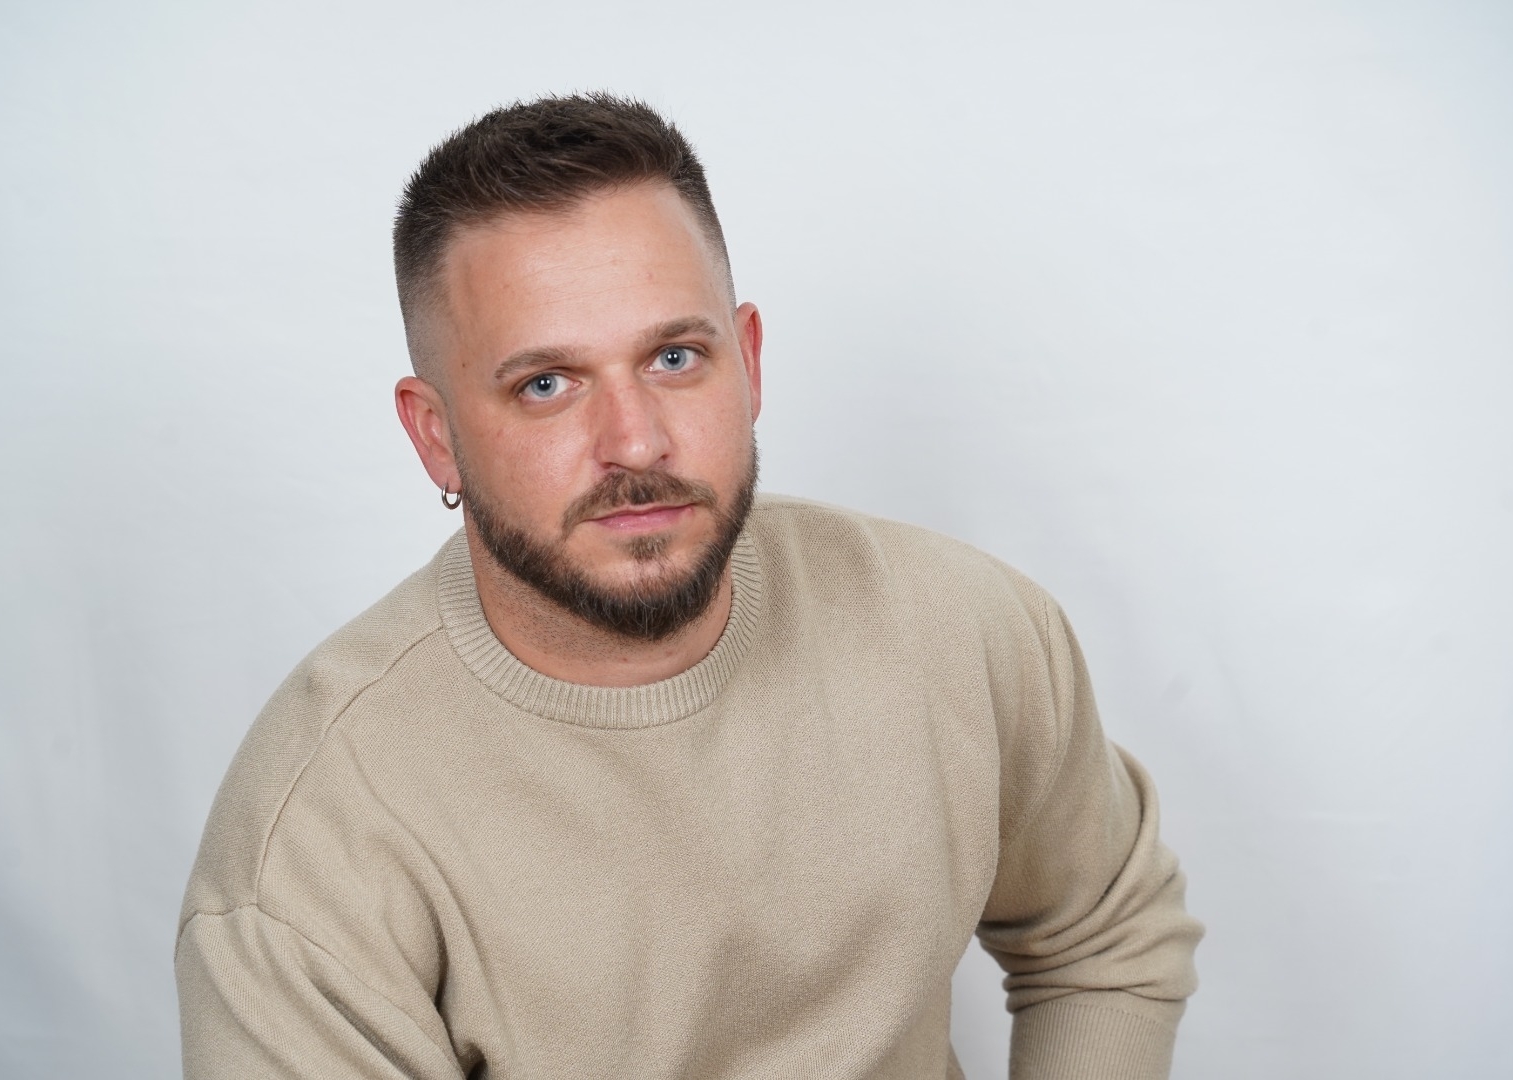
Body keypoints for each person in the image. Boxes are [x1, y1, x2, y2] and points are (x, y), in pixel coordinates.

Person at [175, 93, 1202, 1079]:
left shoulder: (962, 628)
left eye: (673, 357)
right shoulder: (314, 842)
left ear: (746, 363)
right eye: (546, 384)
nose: (635, 442)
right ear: (435, 435)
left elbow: (1102, 929)